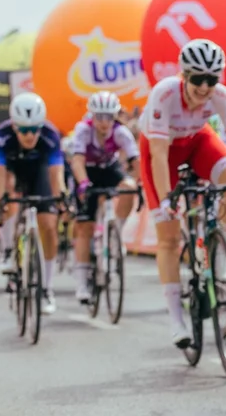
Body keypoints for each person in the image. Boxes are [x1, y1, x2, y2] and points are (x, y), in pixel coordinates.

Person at [139, 39, 226, 348]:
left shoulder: (221, 96)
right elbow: (158, 154)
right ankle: (176, 319)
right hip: (162, 151)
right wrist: (167, 199)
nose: (205, 87)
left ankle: (221, 249)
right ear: (184, 75)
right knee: (169, 237)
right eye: (197, 79)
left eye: (211, 79)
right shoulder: (164, 93)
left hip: (197, 141)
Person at [0, 93, 65, 316]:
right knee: (9, 196)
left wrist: (61, 200)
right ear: (14, 126)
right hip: (12, 172)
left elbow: (56, 175)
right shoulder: (1, 137)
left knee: (48, 227)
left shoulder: (50, 135)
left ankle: (47, 288)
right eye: (23, 130)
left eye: (34, 129)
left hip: (39, 173)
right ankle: (8, 250)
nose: (30, 135)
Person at [67, 90, 140, 304]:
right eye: (99, 117)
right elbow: (77, 161)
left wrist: (139, 184)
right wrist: (83, 184)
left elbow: (136, 162)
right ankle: (82, 283)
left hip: (109, 168)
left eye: (109, 117)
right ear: (92, 116)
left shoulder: (121, 132)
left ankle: (116, 231)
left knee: (128, 187)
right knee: (85, 227)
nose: (104, 122)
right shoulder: (83, 130)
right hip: (87, 171)